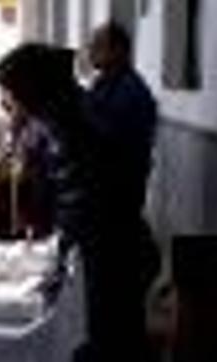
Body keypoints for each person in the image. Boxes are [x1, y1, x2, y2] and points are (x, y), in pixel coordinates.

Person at [0, 43, 167, 362]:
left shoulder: (66, 123)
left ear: (32, 88)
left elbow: (81, 203)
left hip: (109, 259)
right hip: (116, 252)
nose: (9, 103)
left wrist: (58, 259)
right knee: (119, 361)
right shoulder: (74, 110)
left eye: (11, 93)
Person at [85, 22, 160, 292]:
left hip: (118, 197)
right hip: (103, 200)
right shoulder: (104, 84)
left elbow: (109, 143)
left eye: (97, 44)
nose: (89, 49)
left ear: (118, 50)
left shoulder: (131, 92)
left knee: (119, 281)